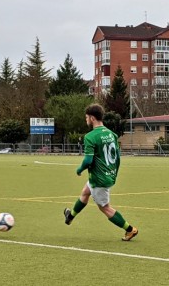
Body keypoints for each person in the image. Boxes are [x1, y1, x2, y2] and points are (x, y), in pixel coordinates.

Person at [63, 103, 138, 241]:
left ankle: (130, 229)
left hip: (99, 178)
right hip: (107, 174)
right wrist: (113, 172)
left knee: (105, 208)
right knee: (85, 192)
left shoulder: (90, 137)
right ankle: (70, 217)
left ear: (92, 118)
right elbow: (117, 157)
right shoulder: (112, 134)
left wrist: (79, 169)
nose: (86, 120)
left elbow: (88, 161)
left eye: (86, 117)